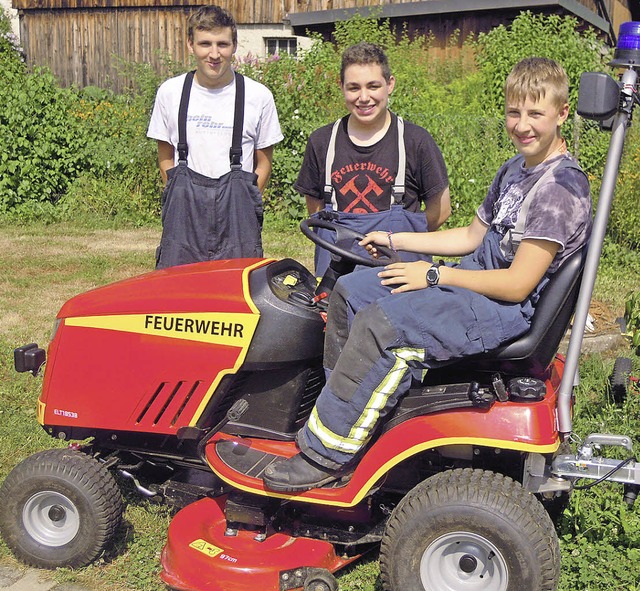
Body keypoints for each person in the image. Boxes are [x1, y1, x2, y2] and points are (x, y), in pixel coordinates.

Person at [262, 57, 592, 492]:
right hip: (476, 284)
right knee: (350, 291)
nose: (522, 125)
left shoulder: (558, 190)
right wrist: (398, 241)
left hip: (502, 309)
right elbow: (474, 236)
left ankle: (328, 454)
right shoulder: (517, 170)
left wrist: (434, 276)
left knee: (382, 325)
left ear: (561, 114)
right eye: (515, 112)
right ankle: (348, 416)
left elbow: (516, 285)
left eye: (535, 114)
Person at [294, 42, 451, 277]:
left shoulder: (415, 141)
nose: (364, 97)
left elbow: (441, 211)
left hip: (398, 275)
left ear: (390, 85)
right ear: (341, 87)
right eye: (354, 88)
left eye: (373, 86)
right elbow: (315, 209)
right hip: (337, 275)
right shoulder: (322, 141)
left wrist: (402, 239)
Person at [147, 5, 283, 269]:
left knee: (235, 297)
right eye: (205, 44)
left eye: (222, 44)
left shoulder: (258, 96)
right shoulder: (170, 93)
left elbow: (264, 162)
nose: (214, 54)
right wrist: (182, 196)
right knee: (176, 294)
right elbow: (165, 157)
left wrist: (246, 199)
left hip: (237, 222)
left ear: (234, 46)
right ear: (190, 45)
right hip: (184, 220)